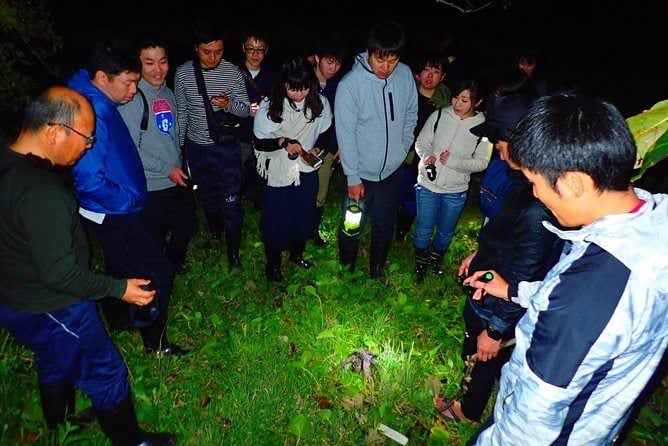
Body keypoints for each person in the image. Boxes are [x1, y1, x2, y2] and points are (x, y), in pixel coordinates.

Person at [464, 94, 667, 445]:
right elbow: (565, 289)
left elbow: (536, 416)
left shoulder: (590, 295)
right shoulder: (645, 223)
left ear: (573, 182)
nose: (537, 195)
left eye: (537, 183)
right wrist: (513, 290)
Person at [0, 87, 175, 445]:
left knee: (52, 358)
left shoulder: (8, 161)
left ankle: (62, 424)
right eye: (86, 136)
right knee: (105, 370)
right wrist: (119, 288)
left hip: (15, 297)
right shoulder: (40, 192)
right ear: (54, 132)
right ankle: (132, 441)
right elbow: (60, 274)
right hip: (51, 304)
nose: (90, 144)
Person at [433, 94, 563, 425]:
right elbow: (508, 234)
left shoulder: (538, 205)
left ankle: (468, 411)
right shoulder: (522, 179)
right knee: (473, 339)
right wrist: (481, 251)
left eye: (499, 140)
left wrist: (496, 329)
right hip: (488, 281)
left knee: (484, 350)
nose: (495, 146)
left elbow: (525, 274)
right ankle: (471, 386)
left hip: (497, 300)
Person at [67, 39, 186, 356]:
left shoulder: (103, 103)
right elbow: (88, 179)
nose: (135, 89)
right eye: (129, 82)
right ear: (103, 77)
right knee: (157, 269)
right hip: (111, 212)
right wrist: (128, 199)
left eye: (136, 81)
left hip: (113, 208)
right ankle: (156, 343)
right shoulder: (90, 113)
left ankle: (120, 318)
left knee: (122, 265)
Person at [335, 21, 418, 278]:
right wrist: (352, 176)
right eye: (380, 60)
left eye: (392, 61)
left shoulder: (404, 75)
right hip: (360, 174)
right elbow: (345, 134)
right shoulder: (350, 85)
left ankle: (377, 271)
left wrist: (403, 146)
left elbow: (411, 114)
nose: (386, 68)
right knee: (352, 224)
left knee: (384, 224)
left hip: (392, 172)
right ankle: (347, 269)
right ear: (369, 52)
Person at [119, 37, 198, 276]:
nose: (158, 69)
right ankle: (157, 276)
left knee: (187, 224)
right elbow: (130, 150)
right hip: (151, 184)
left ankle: (172, 263)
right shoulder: (132, 99)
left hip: (176, 177)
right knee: (153, 236)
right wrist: (166, 168)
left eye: (162, 62)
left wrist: (179, 161)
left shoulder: (167, 92)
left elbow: (171, 134)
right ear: (138, 65)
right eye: (150, 63)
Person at [174, 20, 250, 270]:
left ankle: (234, 254)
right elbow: (182, 113)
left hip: (226, 148)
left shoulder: (232, 72)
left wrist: (228, 104)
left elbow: (245, 110)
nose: (213, 57)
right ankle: (216, 230)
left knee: (231, 199)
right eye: (207, 51)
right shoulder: (184, 73)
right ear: (196, 48)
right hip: (197, 148)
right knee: (206, 196)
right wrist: (179, 149)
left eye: (219, 51)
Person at [253, 56, 332, 282]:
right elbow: (259, 141)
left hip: (306, 170)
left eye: (303, 88)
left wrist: (318, 148)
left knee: (303, 215)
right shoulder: (271, 104)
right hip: (278, 171)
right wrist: (282, 141)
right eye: (293, 89)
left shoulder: (320, 103)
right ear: (283, 84)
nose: (299, 94)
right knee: (275, 218)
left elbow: (326, 131)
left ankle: (297, 254)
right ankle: (273, 263)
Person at [413, 80, 489, 280]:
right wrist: (427, 155)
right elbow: (421, 141)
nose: (457, 103)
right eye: (456, 97)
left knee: (446, 231)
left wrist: (455, 162)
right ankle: (420, 262)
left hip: (455, 189)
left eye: (465, 100)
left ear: (477, 102)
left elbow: (482, 162)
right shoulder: (439, 114)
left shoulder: (484, 128)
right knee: (423, 227)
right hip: (427, 184)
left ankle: (436, 259)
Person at [395, 52, 452, 244]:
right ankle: (387, 223)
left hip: (424, 157)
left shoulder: (447, 103)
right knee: (395, 192)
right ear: (418, 73)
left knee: (414, 195)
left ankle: (402, 230)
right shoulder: (405, 92)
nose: (430, 75)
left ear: (442, 76)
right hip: (400, 154)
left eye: (436, 71)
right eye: (426, 70)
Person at [310, 36, 346, 246]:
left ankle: (312, 231)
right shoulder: (303, 81)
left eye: (338, 62)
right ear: (317, 58)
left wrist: (340, 145)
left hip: (328, 148)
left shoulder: (340, 86)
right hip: (302, 146)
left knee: (320, 192)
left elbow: (345, 118)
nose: (333, 67)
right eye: (329, 61)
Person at [237, 30, 277, 210]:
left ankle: (259, 203)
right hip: (239, 134)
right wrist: (245, 110)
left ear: (266, 50)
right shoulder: (233, 72)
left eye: (259, 50)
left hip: (264, 136)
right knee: (238, 172)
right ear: (243, 49)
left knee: (263, 172)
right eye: (250, 49)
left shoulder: (272, 75)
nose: (255, 54)